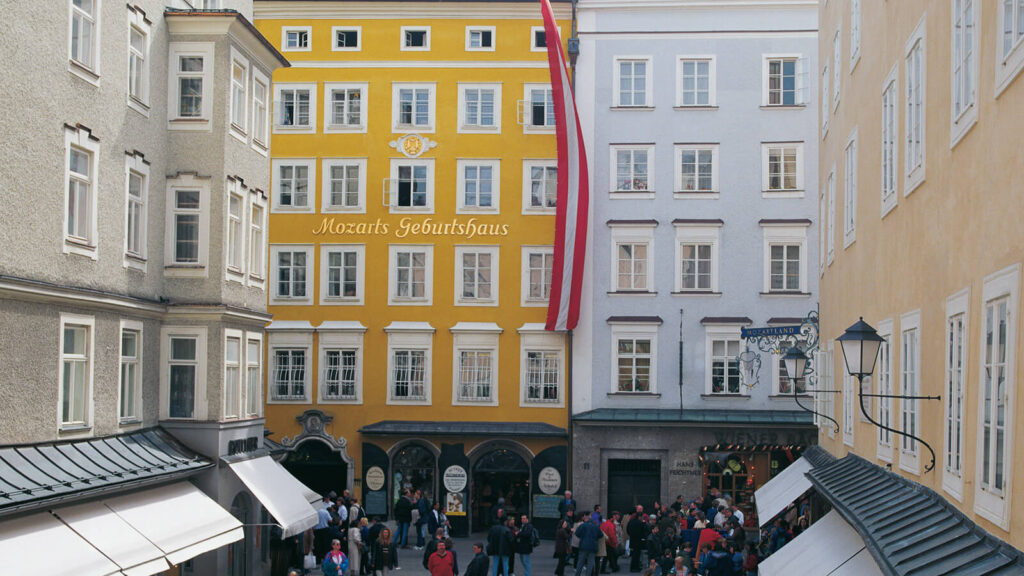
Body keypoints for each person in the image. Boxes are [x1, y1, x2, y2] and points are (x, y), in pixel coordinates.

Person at [626, 507, 647, 572]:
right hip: (638, 541)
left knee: (634, 555)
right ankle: (635, 568)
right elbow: (643, 532)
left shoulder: (631, 522)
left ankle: (633, 567)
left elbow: (627, 530)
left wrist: (631, 535)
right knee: (637, 555)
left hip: (632, 540)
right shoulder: (640, 523)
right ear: (640, 517)